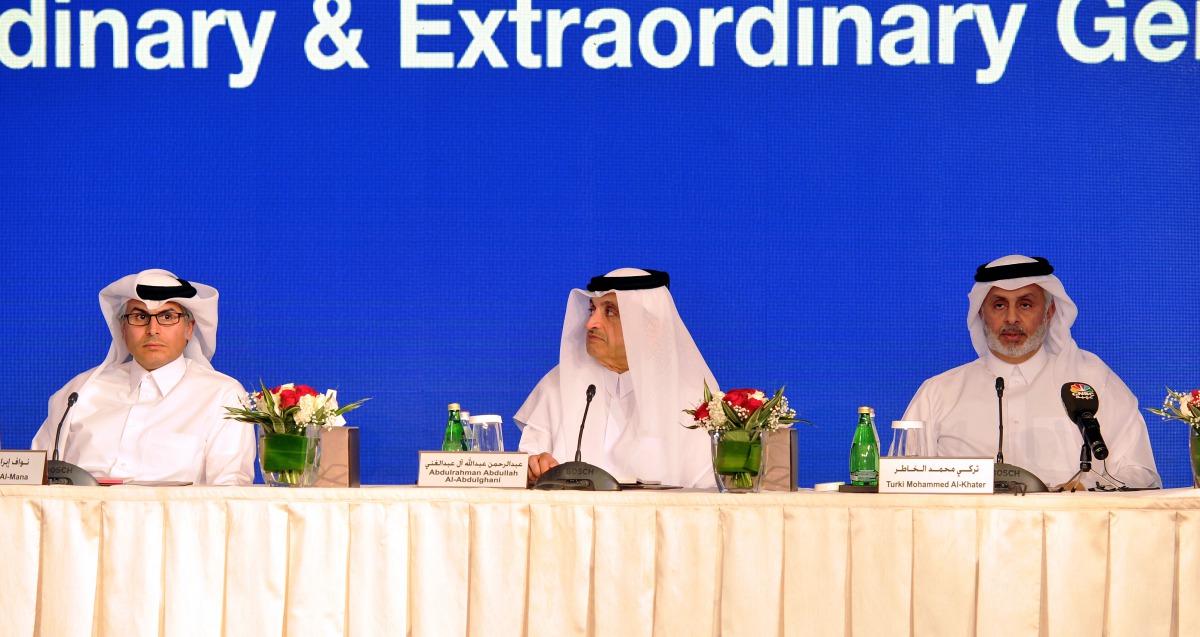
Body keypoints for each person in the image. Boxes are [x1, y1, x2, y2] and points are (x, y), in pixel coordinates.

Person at [902, 255, 1160, 489]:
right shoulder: (938, 393)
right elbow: (902, 482)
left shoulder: (1090, 382)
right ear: (981, 313)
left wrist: (1086, 489)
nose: (1011, 318)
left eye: (1025, 305)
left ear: (1049, 312)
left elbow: (1141, 475)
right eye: (999, 306)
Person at [32, 269, 255, 485]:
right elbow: (34, 479)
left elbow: (229, 496)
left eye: (167, 317)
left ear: (189, 329)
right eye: (140, 317)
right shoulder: (78, 392)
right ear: (122, 328)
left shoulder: (222, 397)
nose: (153, 329)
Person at [516, 268, 718, 488]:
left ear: (651, 327)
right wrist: (531, 467)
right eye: (592, 309)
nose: (590, 323)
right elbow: (526, 465)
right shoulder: (556, 386)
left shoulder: (690, 401)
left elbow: (707, 495)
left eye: (610, 312)